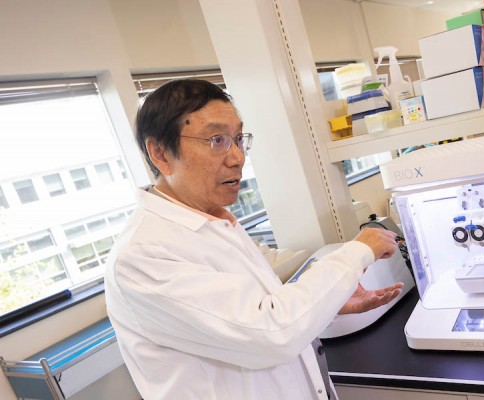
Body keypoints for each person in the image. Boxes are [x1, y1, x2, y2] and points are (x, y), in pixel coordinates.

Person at [105, 79, 404, 400]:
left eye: (237, 139)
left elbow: (253, 315)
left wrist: (326, 304)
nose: (236, 157)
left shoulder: (214, 219)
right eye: (217, 139)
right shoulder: (141, 256)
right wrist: (357, 251)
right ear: (160, 153)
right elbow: (271, 332)